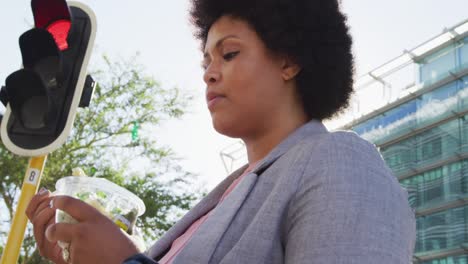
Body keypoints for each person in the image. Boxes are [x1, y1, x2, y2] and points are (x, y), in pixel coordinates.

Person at [26, 0, 416, 263]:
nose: (210, 73)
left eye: (229, 54)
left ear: (289, 59)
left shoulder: (341, 163)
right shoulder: (225, 198)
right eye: (206, 60)